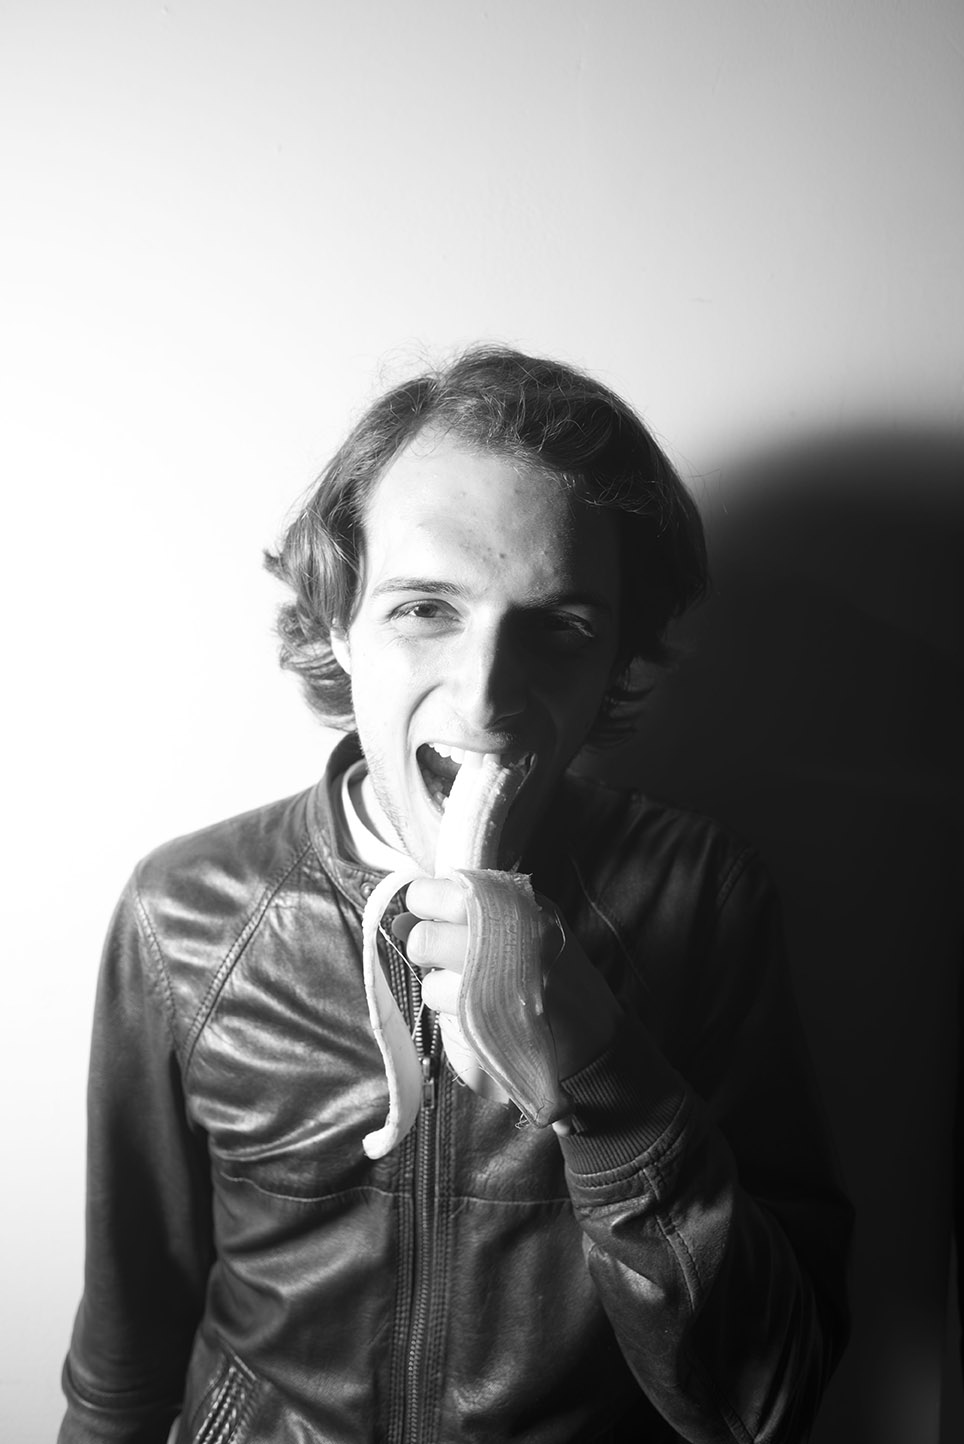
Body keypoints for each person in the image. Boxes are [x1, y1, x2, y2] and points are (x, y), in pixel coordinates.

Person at [59, 346, 852, 1443]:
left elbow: (765, 1403)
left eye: (561, 626)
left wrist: (604, 1079)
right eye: (426, 608)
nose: (486, 699)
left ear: (616, 660)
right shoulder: (185, 915)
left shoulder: (702, 897)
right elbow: (121, 1362)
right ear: (337, 624)